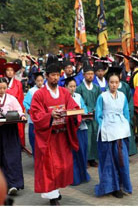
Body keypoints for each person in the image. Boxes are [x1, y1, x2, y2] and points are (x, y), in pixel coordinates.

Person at [30, 58, 81, 205]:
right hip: (49, 138)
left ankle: (56, 191)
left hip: (62, 136)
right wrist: (49, 116)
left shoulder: (64, 92)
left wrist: (72, 114)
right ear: (46, 76)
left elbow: (74, 108)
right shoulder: (39, 95)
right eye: (52, 75)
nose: (55, 78)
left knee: (63, 166)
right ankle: (52, 196)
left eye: (57, 75)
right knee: (49, 167)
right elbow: (36, 115)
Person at [94, 66, 132, 198]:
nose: (114, 85)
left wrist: (125, 125)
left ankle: (122, 185)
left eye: (116, 82)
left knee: (122, 160)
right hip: (107, 132)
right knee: (109, 162)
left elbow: (126, 112)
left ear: (119, 83)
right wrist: (104, 126)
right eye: (111, 82)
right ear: (107, 83)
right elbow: (98, 115)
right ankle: (112, 187)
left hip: (121, 132)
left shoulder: (122, 96)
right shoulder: (102, 97)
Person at [0, 76, 26, 196]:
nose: (1, 90)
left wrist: (22, 116)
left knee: (12, 157)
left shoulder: (11, 99)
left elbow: (20, 110)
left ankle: (14, 184)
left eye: (4, 88)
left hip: (9, 130)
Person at [64, 77, 90, 185]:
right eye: (70, 86)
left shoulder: (78, 96)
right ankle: (73, 177)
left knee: (82, 152)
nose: (73, 89)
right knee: (71, 154)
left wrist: (82, 113)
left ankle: (83, 175)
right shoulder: (63, 98)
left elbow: (84, 109)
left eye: (74, 86)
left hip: (80, 128)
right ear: (65, 87)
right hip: (69, 129)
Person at [76, 61, 102, 167]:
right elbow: (78, 103)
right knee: (86, 138)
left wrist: (96, 110)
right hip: (85, 117)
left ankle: (93, 158)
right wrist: (85, 112)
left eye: (92, 74)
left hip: (95, 116)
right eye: (88, 74)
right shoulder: (80, 88)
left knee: (94, 137)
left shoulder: (96, 88)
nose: (90, 76)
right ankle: (85, 158)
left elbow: (100, 101)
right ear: (83, 75)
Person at [4, 62, 26, 147]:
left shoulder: (18, 83)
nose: (9, 72)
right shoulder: (2, 82)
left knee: (17, 129)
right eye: (7, 70)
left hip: (15, 111)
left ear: (14, 72)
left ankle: (20, 145)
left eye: (11, 70)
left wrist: (21, 112)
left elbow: (20, 99)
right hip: (3, 111)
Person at [126, 55, 138, 146]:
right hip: (132, 98)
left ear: (135, 63)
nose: (129, 63)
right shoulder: (133, 73)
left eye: (131, 62)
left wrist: (136, 103)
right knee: (135, 119)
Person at [117, 64, 137, 156]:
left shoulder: (125, 86)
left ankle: (128, 151)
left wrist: (129, 112)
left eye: (119, 73)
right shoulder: (109, 87)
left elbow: (130, 100)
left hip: (125, 114)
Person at [23, 72, 44, 156]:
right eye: (38, 80)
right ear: (35, 81)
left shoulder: (46, 89)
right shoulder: (31, 91)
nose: (40, 82)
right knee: (34, 140)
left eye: (41, 80)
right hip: (34, 119)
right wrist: (30, 110)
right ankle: (36, 158)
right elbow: (26, 102)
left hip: (44, 119)